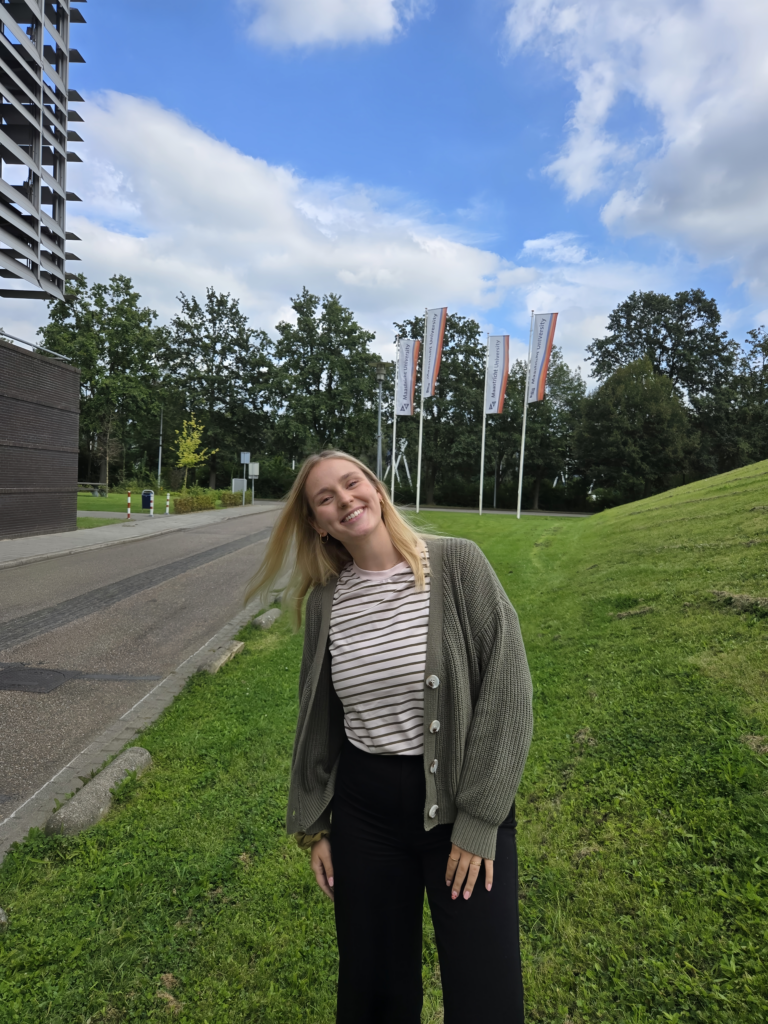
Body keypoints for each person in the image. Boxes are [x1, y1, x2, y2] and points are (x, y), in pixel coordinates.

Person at [247, 450, 533, 1024]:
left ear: (376, 490)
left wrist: (479, 823)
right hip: (365, 814)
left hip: (460, 805)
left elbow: (508, 690)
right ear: (317, 522)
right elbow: (318, 718)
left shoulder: (457, 565)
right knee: (372, 988)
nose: (344, 500)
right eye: (325, 498)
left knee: (486, 993)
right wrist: (315, 823)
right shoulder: (327, 600)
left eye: (352, 484)